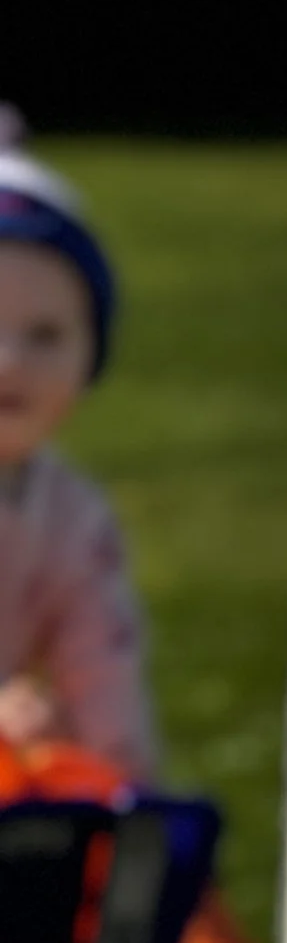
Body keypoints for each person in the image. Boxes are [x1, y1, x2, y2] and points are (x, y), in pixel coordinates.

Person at [0, 136, 156, 778]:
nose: (10, 363)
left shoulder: (72, 516)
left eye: (46, 335)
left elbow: (102, 667)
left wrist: (132, 809)